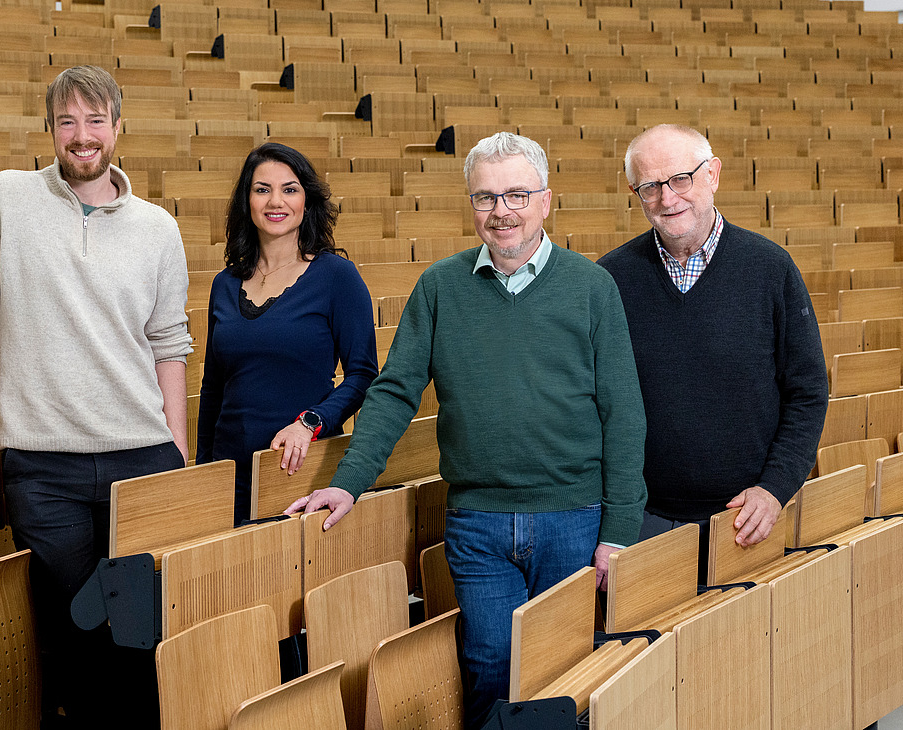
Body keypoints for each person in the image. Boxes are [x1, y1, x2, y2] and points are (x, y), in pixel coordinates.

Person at [285, 132, 647, 727]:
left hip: (574, 516)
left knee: (565, 670)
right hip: (477, 520)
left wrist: (619, 531)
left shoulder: (591, 287)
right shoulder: (439, 287)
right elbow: (396, 390)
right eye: (485, 198)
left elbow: (624, 412)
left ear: (546, 201)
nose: (500, 211)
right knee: (488, 664)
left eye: (515, 195)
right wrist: (349, 482)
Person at [0, 65, 191, 728]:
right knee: (74, 624)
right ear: (50, 130)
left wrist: (178, 446)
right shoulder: (6, 198)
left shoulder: (157, 228)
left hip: (141, 457)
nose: (81, 136)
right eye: (67, 122)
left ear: (118, 128)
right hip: (42, 465)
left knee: (141, 626)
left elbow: (169, 344)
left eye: (94, 121)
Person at [598, 124, 827, 560]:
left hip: (747, 519)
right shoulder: (611, 279)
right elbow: (597, 409)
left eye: (680, 179)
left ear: (713, 175)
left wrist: (774, 489)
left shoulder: (771, 269)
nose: (668, 198)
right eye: (650, 186)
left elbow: (808, 394)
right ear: (636, 193)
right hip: (645, 523)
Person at [196, 143, 378, 524]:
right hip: (228, 471)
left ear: (306, 201)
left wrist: (310, 422)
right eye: (262, 189)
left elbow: (363, 376)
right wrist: (203, 475)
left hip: (296, 471)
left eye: (289, 189)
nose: (275, 201)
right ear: (247, 200)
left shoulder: (337, 277)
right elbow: (213, 388)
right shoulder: (224, 284)